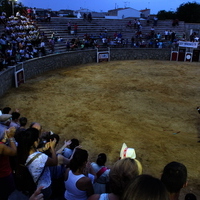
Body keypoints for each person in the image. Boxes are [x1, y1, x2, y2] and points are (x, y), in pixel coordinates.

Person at [16, 128, 58, 199]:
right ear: (35, 142)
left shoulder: (20, 151)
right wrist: (52, 148)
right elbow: (54, 162)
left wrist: (43, 149)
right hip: (43, 187)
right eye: (38, 138)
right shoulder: (41, 157)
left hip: (29, 185)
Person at [0, 126, 17, 200]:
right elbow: (14, 152)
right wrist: (11, 137)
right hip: (4, 176)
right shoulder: (1, 147)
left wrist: (4, 138)